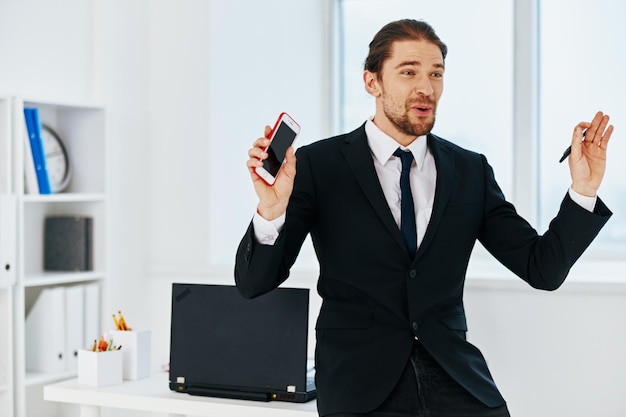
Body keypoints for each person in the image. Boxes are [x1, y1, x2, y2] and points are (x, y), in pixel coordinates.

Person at [234, 19, 614, 417]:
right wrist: (271, 210)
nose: (426, 88)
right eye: (409, 71)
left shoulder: (469, 170)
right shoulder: (318, 165)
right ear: (372, 82)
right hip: (360, 387)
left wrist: (583, 190)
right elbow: (253, 284)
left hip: (458, 381)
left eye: (436, 73)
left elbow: (543, 269)